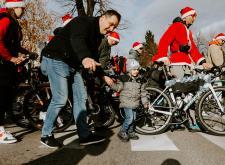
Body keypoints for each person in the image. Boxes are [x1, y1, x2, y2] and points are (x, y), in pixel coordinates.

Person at [40, 10, 121, 148]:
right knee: (60, 98)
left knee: (81, 98)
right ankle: (46, 135)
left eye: (115, 27)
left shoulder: (97, 38)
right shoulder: (83, 21)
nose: (111, 29)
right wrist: (84, 57)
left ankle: (84, 135)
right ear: (102, 18)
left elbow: (94, 58)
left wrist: (103, 75)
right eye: (111, 24)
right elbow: (77, 39)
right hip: (55, 58)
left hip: (72, 65)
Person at [0, 0, 34, 144]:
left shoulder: (13, 21)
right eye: (22, 8)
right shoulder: (6, 20)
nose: (24, 10)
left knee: (6, 95)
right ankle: (1, 132)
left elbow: (14, 44)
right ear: (14, 8)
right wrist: (11, 58)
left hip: (7, 65)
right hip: (2, 65)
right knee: (2, 96)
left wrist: (27, 52)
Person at [152, 6, 212, 79]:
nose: (194, 19)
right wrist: (163, 56)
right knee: (179, 87)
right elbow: (164, 40)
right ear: (186, 16)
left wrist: (202, 62)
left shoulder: (188, 32)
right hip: (177, 63)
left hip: (187, 63)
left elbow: (193, 49)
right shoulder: (176, 26)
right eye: (193, 16)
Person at [111, 59, 149, 142]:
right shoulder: (124, 78)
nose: (136, 71)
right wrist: (111, 84)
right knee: (130, 118)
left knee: (134, 118)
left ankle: (130, 131)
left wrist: (145, 102)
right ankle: (122, 131)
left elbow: (143, 93)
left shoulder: (140, 80)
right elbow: (118, 88)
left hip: (135, 102)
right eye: (134, 69)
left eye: (137, 69)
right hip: (126, 101)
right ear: (129, 70)